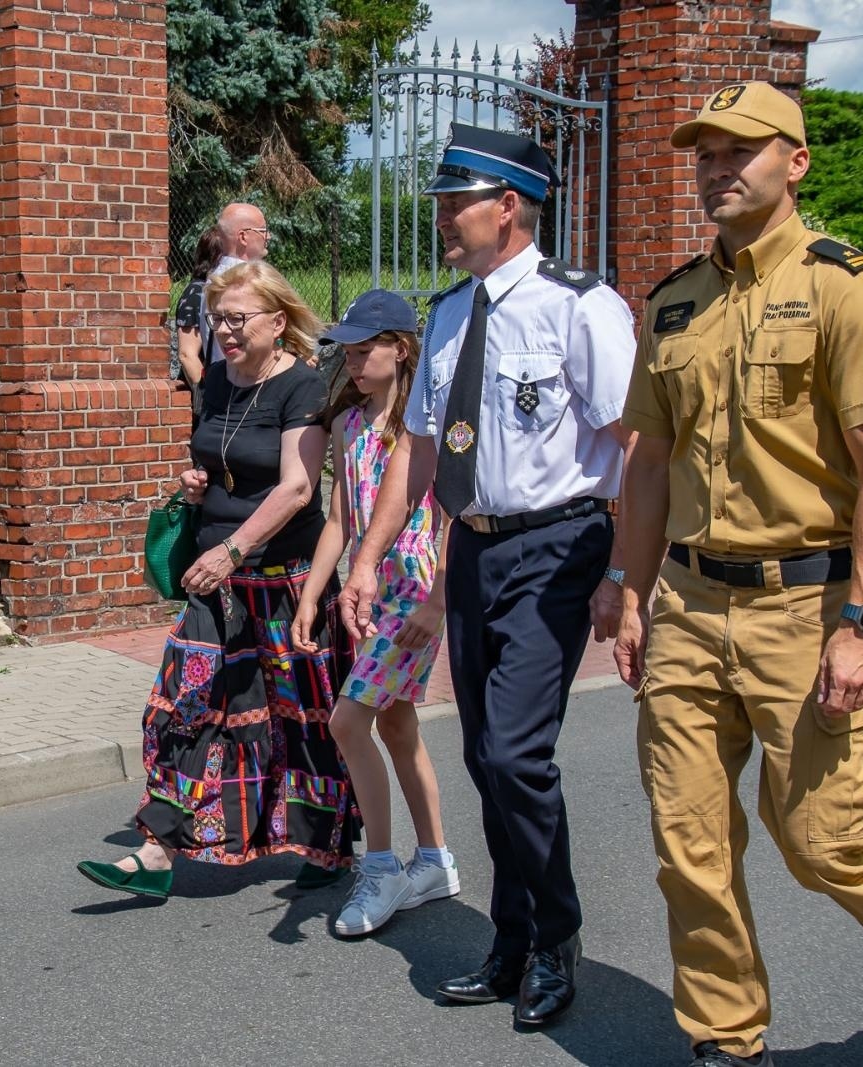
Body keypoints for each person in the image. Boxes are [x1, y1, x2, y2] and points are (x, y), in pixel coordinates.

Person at [613, 82, 863, 1067]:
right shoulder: (675, 298)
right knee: (690, 842)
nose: (717, 167)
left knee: (819, 837)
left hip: (803, 605)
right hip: (684, 602)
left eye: (741, 150)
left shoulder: (849, 286)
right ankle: (726, 1034)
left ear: (794, 161)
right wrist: (627, 589)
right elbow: (647, 460)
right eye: (705, 153)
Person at [338, 123, 635, 1027]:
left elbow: (636, 445)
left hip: (558, 547)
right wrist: (367, 552)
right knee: (482, 754)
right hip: (470, 550)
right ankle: (511, 938)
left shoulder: (581, 306)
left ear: (508, 206)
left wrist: (625, 572)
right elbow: (418, 457)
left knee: (514, 754)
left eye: (453, 201)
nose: (440, 216)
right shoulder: (449, 314)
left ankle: (556, 936)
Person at [76, 261, 359, 899]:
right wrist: (197, 485)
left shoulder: (304, 388)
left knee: (301, 716)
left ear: (278, 322)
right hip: (216, 583)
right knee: (184, 704)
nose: (225, 332)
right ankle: (156, 848)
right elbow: (217, 454)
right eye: (218, 320)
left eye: (238, 320)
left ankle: (325, 840)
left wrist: (234, 547)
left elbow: (296, 487)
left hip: (286, 580)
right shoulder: (215, 384)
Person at [291, 289, 458, 938]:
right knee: (396, 727)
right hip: (368, 594)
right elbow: (341, 517)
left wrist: (440, 598)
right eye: (349, 353)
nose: (354, 364)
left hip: (414, 592)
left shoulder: (426, 429)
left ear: (403, 349)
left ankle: (383, 865)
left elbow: (449, 516)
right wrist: (312, 592)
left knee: (346, 720)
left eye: (366, 351)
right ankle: (437, 860)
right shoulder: (347, 424)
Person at [175, 204, 272, 386]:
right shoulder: (243, 282)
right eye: (263, 230)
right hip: (245, 387)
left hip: (222, 382)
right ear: (243, 237)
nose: (268, 236)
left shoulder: (213, 280)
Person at [175, 226, 229, 391]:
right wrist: (210, 394)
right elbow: (187, 355)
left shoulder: (218, 290)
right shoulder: (195, 294)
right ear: (217, 256)